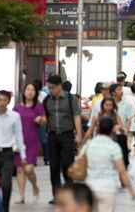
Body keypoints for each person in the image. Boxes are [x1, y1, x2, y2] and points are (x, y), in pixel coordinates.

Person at [44, 75, 83, 204]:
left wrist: (78, 135)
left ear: (59, 86)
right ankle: (57, 195)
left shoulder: (70, 98)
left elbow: (76, 116)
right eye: (49, 88)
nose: (50, 90)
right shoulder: (47, 100)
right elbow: (45, 117)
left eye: (52, 88)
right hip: (53, 136)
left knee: (67, 164)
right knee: (54, 166)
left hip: (67, 135)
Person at [83, 117, 135, 211]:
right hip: (107, 188)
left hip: (90, 187)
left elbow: (81, 163)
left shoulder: (89, 145)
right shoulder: (113, 147)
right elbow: (122, 171)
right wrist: (131, 190)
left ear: (97, 129)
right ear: (112, 130)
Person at [13, 83, 46, 204]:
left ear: (35, 93)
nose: (30, 92)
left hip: (32, 142)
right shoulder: (17, 108)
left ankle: (35, 186)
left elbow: (45, 122)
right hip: (19, 143)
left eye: (33, 90)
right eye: (28, 89)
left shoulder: (38, 106)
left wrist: (41, 120)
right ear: (24, 92)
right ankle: (21, 196)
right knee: (20, 170)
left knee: (29, 168)